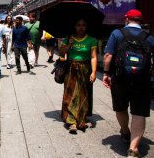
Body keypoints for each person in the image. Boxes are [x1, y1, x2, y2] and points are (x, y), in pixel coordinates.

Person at [103, 9, 154, 158]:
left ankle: (125, 131)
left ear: (126, 19)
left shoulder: (117, 34)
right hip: (142, 80)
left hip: (120, 78)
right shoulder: (149, 37)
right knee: (139, 112)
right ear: (141, 20)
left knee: (121, 107)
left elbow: (108, 55)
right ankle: (133, 148)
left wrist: (106, 73)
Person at [59, 19, 97, 134]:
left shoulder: (91, 40)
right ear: (74, 27)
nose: (81, 27)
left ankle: (81, 119)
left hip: (85, 69)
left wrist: (94, 72)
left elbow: (93, 57)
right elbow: (61, 52)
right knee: (70, 94)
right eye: (78, 25)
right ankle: (71, 122)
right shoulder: (68, 38)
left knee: (83, 94)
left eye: (83, 25)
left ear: (87, 27)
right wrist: (69, 44)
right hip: (71, 68)